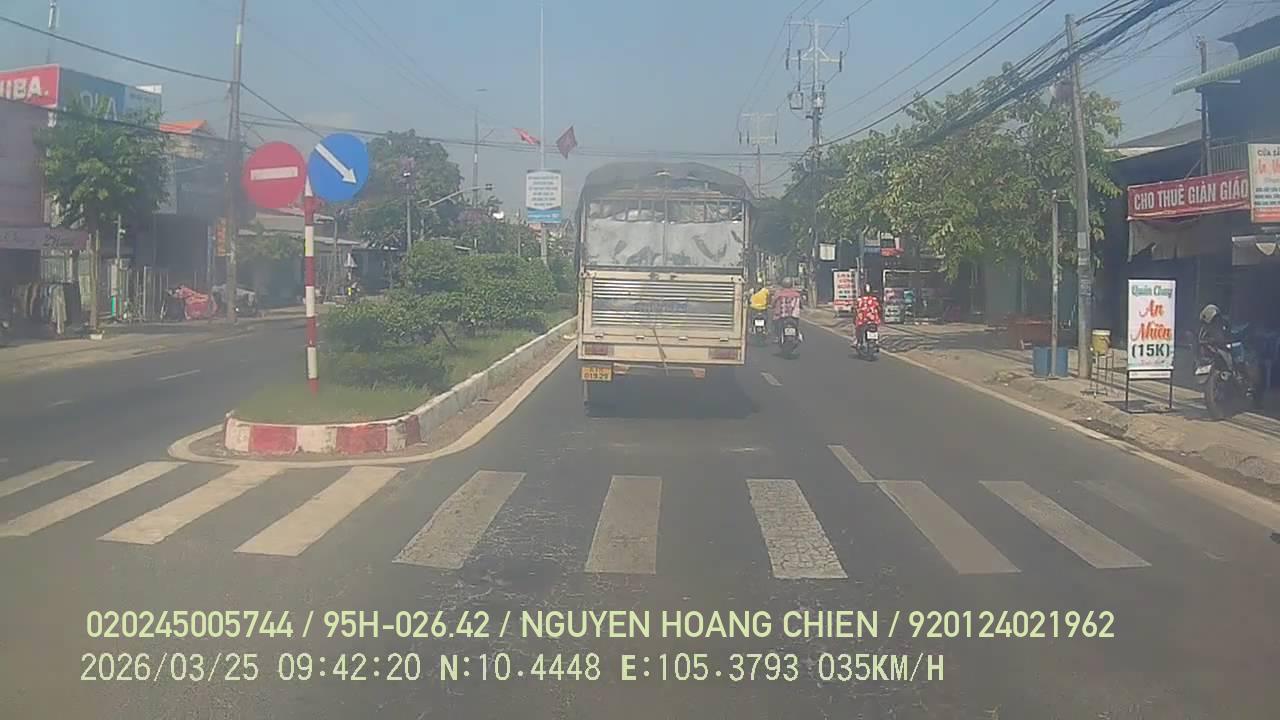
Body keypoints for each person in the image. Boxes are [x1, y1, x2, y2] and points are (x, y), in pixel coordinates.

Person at [772, 277, 803, 342]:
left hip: (782, 315)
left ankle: (777, 337)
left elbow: (773, 303)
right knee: (797, 325)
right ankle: (798, 334)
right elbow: (801, 304)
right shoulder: (797, 294)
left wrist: (773, 307)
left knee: (776, 323)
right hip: (794, 315)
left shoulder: (779, 294)